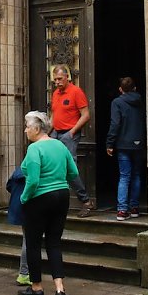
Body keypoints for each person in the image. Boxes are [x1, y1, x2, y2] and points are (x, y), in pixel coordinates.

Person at [18, 110, 78, 295]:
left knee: (34, 244)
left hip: (39, 198)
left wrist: (24, 198)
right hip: (62, 196)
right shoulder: (60, 145)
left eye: (27, 126)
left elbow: (33, 181)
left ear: (36, 128)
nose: (25, 130)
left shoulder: (34, 149)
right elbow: (73, 172)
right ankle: (60, 289)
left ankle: (36, 287)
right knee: (54, 242)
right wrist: (58, 181)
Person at [49, 65, 94, 217]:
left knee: (69, 169)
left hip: (69, 135)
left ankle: (86, 201)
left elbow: (86, 115)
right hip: (56, 134)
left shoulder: (76, 92)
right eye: (55, 79)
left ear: (67, 77)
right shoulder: (55, 94)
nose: (57, 82)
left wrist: (72, 132)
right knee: (52, 167)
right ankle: (55, 203)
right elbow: (53, 116)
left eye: (60, 79)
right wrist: (47, 134)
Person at [106, 76, 145, 221]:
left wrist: (110, 143)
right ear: (135, 88)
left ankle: (122, 210)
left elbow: (115, 124)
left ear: (120, 89)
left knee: (124, 176)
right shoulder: (141, 100)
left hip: (123, 144)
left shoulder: (117, 102)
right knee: (136, 175)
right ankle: (134, 208)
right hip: (139, 143)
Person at [6, 166, 30, 285]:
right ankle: (25, 273)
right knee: (29, 241)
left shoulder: (19, 169)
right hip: (29, 207)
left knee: (27, 239)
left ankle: (25, 273)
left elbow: (8, 186)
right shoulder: (36, 170)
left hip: (18, 208)